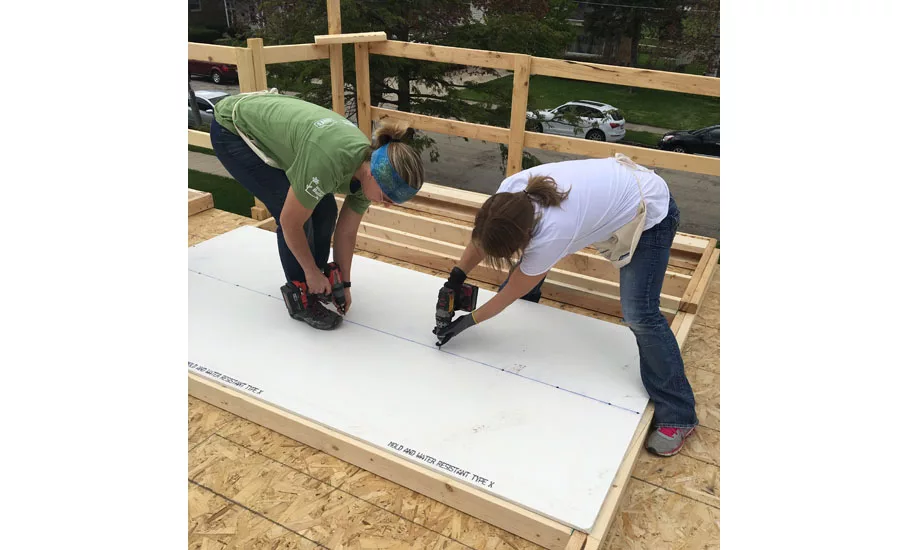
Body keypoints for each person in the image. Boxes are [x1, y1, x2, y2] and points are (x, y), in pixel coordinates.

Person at [433, 154, 697, 457]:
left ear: (527, 236)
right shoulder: (508, 195)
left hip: (649, 211)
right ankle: (530, 298)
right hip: (612, 193)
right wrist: (455, 278)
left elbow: (510, 294)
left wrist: (467, 322)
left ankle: (679, 413)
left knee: (640, 312)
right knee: (528, 271)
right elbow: (482, 238)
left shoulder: (553, 231)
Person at [210, 90, 425, 330]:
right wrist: (310, 272)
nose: (387, 204)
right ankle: (300, 294)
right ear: (373, 173)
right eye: (387, 198)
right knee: (293, 213)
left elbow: (346, 232)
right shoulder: (328, 162)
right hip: (233, 130)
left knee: (325, 210)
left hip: (281, 128)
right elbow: (291, 223)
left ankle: (318, 281)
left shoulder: (367, 169)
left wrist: (343, 284)